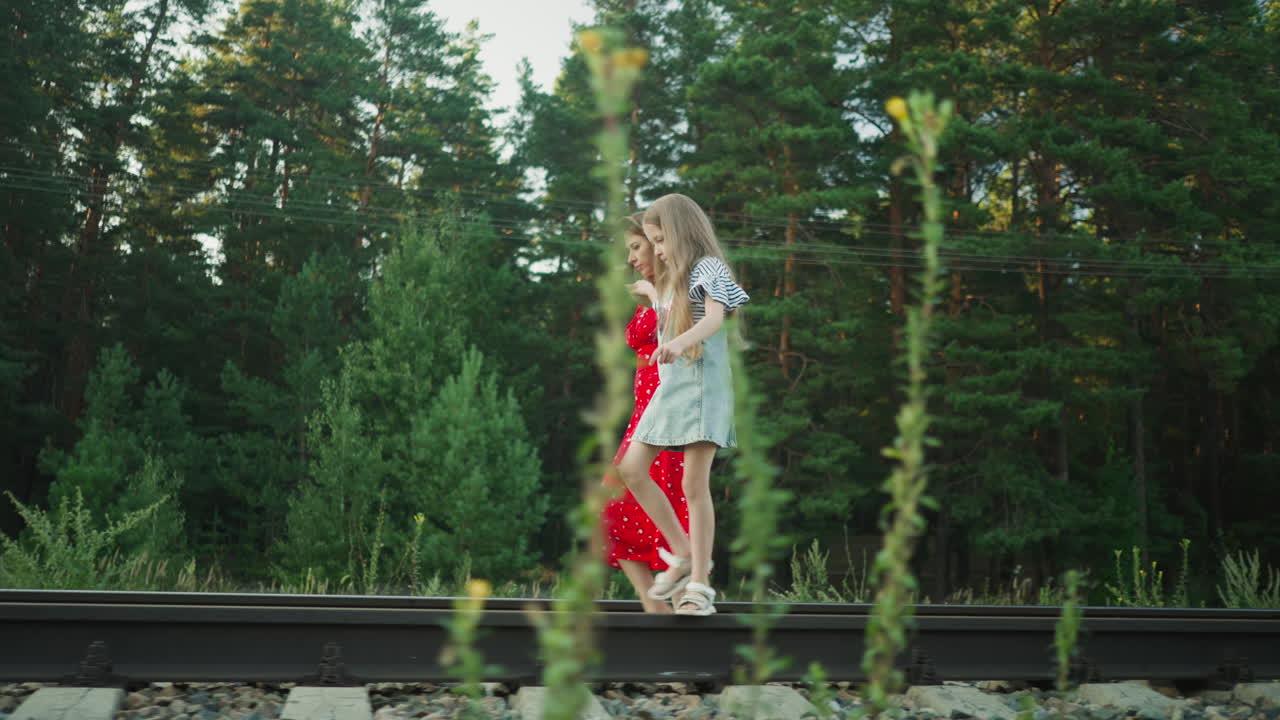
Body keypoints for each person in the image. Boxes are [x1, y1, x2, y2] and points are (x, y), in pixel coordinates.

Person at [616, 194, 750, 616]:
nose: (655, 249)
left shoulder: (708, 267)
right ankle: (683, 553)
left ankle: (699, 586)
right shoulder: (674, 278)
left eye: (659, 240)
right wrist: (651, 291)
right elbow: (668, 313)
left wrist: (677, 343)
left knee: (695, 486)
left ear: (679, 232)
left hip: (701, 389)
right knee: (631, 469)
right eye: (650, 242)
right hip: (672, 390)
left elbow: (714, 318)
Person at [601, 213, 689, 614]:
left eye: (637, 247)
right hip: (645, 412)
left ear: (659, 245)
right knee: (617, 505)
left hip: (670, 413)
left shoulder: (679, 289)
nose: (633, 258)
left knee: (662, 507)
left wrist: (654, 300)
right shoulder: (657, 290)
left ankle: (679, 610)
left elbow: (677, 335)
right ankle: (655, 609)